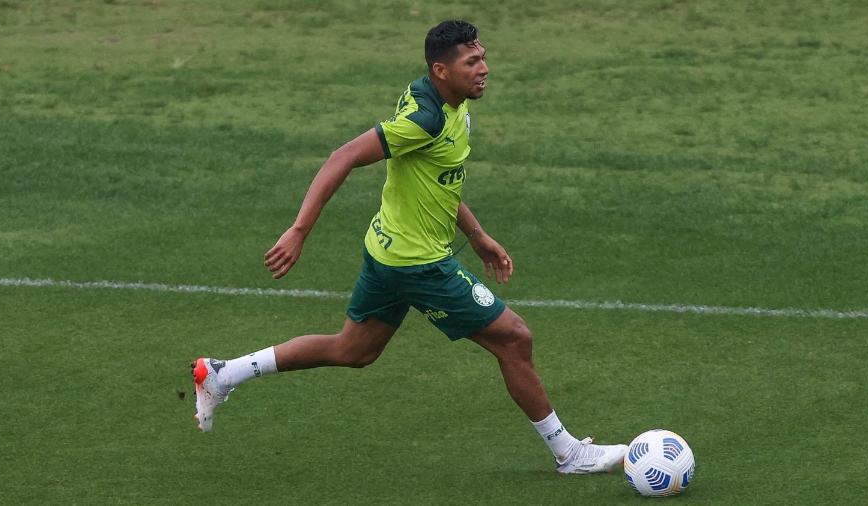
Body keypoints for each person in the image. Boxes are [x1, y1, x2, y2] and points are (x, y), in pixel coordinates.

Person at [192, 20, 627, 474]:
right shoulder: (425, 119)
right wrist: (299, 230)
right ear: (441, 69)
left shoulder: (447, 102)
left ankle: (224, 373)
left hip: (386, 251)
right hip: (417, 264)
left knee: (353, 351)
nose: (485, 69)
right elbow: (343, 156)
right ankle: (570, 454)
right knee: (515, 339)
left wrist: (476, 235)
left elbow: (437, 178)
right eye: (472, 62)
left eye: (483, 58)